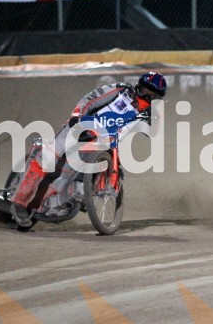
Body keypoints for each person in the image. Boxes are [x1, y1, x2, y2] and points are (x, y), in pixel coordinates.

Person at [10, 72, 168, 228]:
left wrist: (153, 117)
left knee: (63, 179)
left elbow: (153, 133)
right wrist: (77, 114)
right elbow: (91, 99)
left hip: (100, 143)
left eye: (154, 93)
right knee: (49, 158)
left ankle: (43, 205)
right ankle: (19, 203)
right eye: (147, 89)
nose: (148, 94)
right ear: (140, 85)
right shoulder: (122, 90)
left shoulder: (151, 112)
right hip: (80, 127)